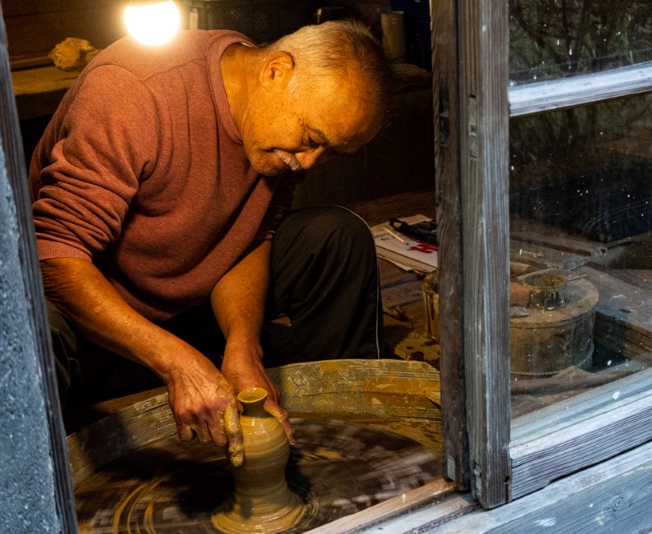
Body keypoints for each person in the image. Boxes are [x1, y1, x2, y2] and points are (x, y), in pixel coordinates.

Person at [29, 21, 394, 467]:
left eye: (332, 152)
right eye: (312, 139)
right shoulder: (134, 90)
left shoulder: (275, 129)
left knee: (338, 238)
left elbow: (248, 235)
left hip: (189, 303)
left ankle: (349, 444)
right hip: (92, 319)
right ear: (276, 71)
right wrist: (175, 362)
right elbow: (53, 254)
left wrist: (243, 347)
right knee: (26, 335)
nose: (309, 161)